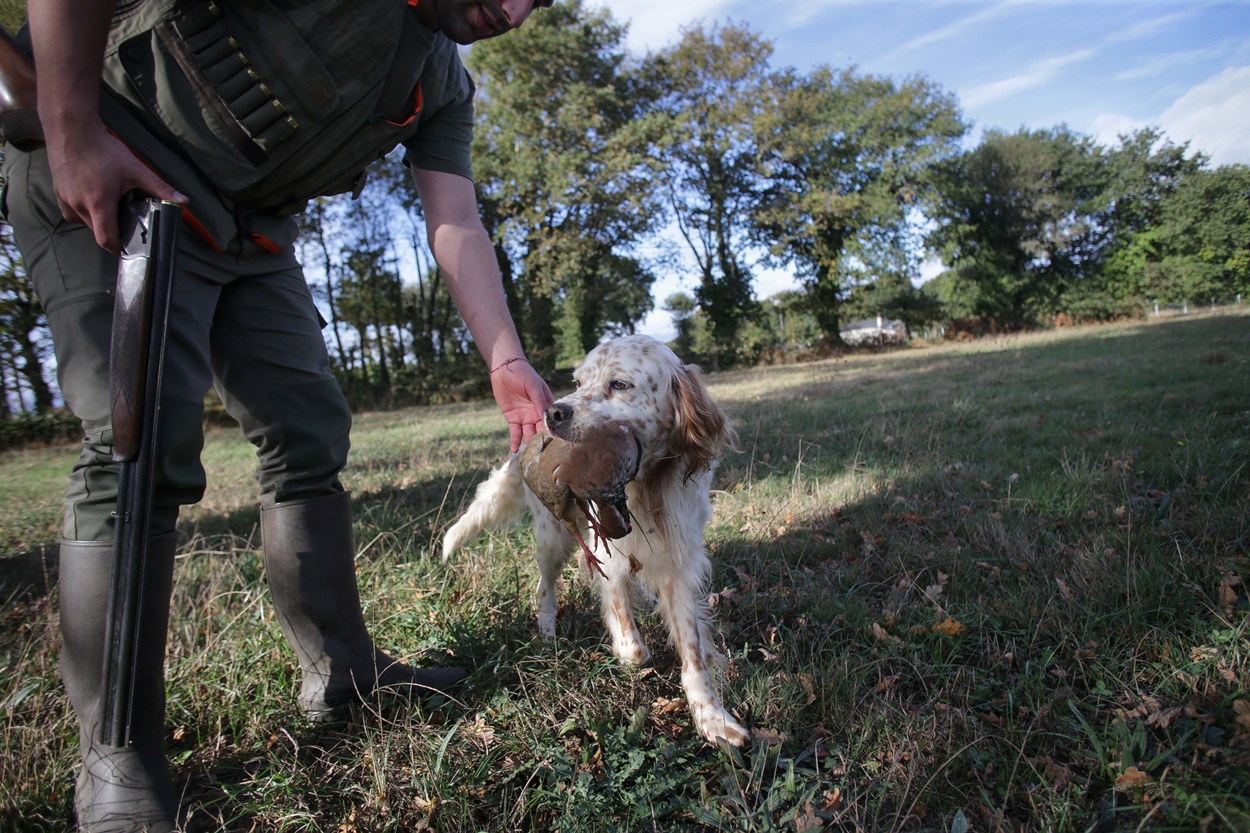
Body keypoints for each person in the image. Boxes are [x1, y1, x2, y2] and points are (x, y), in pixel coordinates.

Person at [2, 1, 556, 830]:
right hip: (117, 163)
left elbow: (456, 220)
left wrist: (506, 357)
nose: (512, 11)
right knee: (139, 441)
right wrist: (71, 127)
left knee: (307, 431)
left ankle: (341, 675)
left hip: (244, 229)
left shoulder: (440, 82)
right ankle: (116, 755)